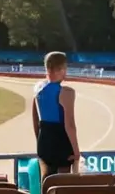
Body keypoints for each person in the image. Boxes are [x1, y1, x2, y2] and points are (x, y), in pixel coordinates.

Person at [32, 51, 80, 179]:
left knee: (46, 179)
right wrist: (76, 152)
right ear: (62, 69)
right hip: (61, 138)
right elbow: (69, 124)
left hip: (44, 137)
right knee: (63, 182)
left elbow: (35, 119)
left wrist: (40, 139)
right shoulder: (67, 92)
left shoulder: (38, 88)